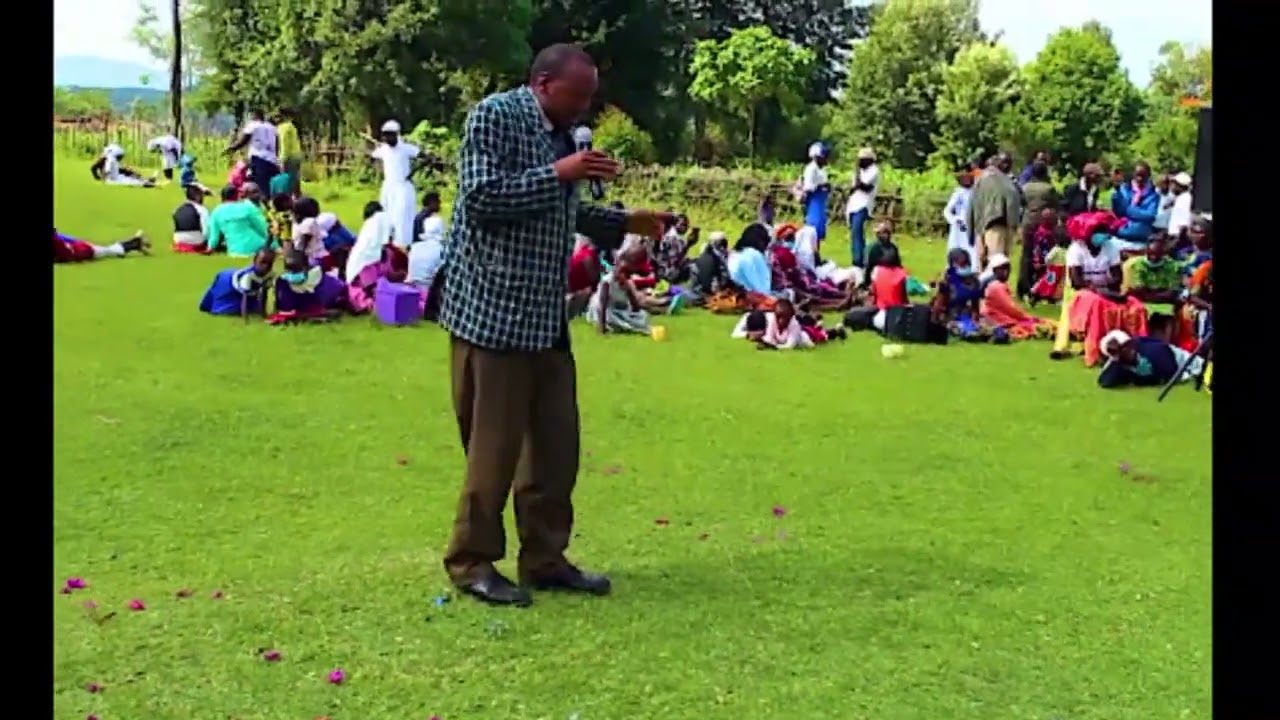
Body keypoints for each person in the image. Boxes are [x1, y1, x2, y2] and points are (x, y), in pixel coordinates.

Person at [437, 43, 672, 607]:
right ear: (544, 83)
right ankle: (471, 562)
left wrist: (624, 221)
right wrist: (558, 171)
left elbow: (561, 208)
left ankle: (544, 558)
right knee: (493, 452)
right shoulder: (495, 116)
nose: (586, 108)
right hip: (493, 314)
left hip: (545, 317)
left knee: (554, 447)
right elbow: (482, 196)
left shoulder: (562, 133)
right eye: (579, 95)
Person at [1049, 227, 1149, 365]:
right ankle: (1095, 349)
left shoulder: (1111, 247)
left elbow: (1117, 277)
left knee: (1135, 305)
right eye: (1098, 232)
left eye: (1103, 232)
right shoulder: (1076, 248)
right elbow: (1077, 281)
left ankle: (1139, 346)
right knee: (1097, 304)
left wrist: (1107, 290)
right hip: (1080, 292)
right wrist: (1096, 289)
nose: (1102, 235)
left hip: (1107, 290)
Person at [371, 120, 422, 250]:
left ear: (396, 134)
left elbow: (426, 157)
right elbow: (372, 157)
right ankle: (387, 243)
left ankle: (404, 245)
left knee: (403, 216)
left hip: (402, 187)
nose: (386, 138)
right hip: (388, 187)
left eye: (390, 135)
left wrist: (411, 173)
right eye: (385, 135)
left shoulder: (406, 148)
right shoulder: (383, 149)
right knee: (387, 214)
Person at [587, 246, 660, 334]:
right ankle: (618, 326)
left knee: (642, 315)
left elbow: (635, 308)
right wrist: (601, 327)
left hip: (619, 310)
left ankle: (627, 324)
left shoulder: (628, 283)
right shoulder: (608, 281)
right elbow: (602, 305)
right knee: (613, 318)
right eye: (621, 271)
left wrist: (629, 291)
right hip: (605, 312)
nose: (623, 276)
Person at [966, 151, 1021, 267]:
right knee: (997, 262)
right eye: (1004, 162)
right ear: (997, 163)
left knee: (993, 261)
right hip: (995, 223)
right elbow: (972, 204)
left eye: (1009, 163)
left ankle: (989, 283)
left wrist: (971, 233)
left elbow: (971, 205)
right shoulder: (995, 179)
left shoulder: (1004, 180)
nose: (1007, 166)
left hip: (993, 224)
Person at [980, 254, 1054, 339]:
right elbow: (1010, 308)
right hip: (997, 319)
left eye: (1007, 268)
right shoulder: (996, 286)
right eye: (1002, 268)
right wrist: (1027, 317)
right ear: (995, 270)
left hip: (998, 317)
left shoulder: (999, 285)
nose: (1006, 272)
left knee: (1037, 323)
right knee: (1035, 324)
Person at [1097, 329, 1189, 390]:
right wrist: (1116, 359)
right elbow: (1104, 382)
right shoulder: (1121, 363)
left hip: (1185, 363)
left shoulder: (1151, 349)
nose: (1127, 350)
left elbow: (1170, 371)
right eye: (1120, 350)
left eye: (1127, 346)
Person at [198, 248, 276, 318]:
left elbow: (264, 294)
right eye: (262, 262)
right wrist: (245, 319)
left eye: (269, 264)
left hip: (249, 291)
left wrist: (264, 314)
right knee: (227, 310)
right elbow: (244, 298)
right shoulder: (248, 276)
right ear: (255, 261)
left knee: (253, 310)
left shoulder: (270, 275)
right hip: (228, 285)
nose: (265, 266)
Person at [274, 249, 348, 317]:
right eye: (289, 270)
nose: (292, 274)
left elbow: (334, 292)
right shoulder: (282, 282)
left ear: (306, 268)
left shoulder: (318, 277)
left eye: (295, 270)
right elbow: (281, 306)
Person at [206, 183, 271, 257]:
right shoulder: (248, 207)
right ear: (237, 196)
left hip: (235, 251)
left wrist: (210, 249)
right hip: (257, 247)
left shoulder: (217, 211)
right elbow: (263, 227)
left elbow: (214, 236)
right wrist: (274, 246)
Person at [1110, 161, 1161, 246]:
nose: (1140, 179)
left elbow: (1150, 215)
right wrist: (1117, 190)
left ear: (1148, 176)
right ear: (1133, 174)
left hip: (1141, 238)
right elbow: (1118, 212)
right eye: (1138, 175)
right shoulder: (1123, 189)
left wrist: (1129, 210)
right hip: (1121, 236)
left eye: (1143, 176)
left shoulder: (1153, 195)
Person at [226, 109, 279, 190]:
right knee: (269, 187)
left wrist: (232, 148)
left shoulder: (253, 125)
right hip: (272, 161)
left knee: (260, 186)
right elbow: (277, 144)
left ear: (254, 115)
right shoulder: (272, 127)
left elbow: (243, 141)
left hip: (259, 159)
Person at [846, 147, 880, 267]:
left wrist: (856, 171)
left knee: (857, 231)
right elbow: (853, 187)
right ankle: (858, 258)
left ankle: (859, 260)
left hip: (863, 205)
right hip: (853, 205)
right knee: (855, 234)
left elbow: (863, 186)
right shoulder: (859, 172)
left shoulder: (874, 170)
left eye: (862, 159)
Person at [1124, 238, 1183, 305]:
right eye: (1151, 254)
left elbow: (1172, 292)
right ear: (1146, 251)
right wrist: (1160, 292)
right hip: (1141, 304)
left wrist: (1149, 294)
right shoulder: (1135, 265)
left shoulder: (1173, 266)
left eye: (1158, 254)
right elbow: (1139, 291)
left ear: (1163, 253)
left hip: (1165, 305)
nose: (1154, 258)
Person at [1018, 208, 1061, 300]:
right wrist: (1037, 261)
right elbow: (1036, 248)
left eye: (1053, 218)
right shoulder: (1040, 232)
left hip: (1051, 259)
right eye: (1049, 219)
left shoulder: (1054, 231)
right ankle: (1033, 293)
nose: (1053, 221)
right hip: (1041, 260)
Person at [408, 192, 445, 290]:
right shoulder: (425, 218)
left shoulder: (422, 216)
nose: (439, 204)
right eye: (438, 202)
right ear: (431, 202)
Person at [727, 224, 775, 295]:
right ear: (759, 241)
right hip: (751, 297)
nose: (766, 247)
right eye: (766, 242)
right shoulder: (753, 254)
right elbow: (762, 289)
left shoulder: (735, 253)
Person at [53, 229, 149, 263]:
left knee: (111, 251)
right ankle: (136, 243)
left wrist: (78, 241)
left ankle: (136, 242)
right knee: (109, 251)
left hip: (81, 251)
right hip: (78, 248)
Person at [942, 171, 975, 268]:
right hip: (960, 226)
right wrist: (954, 220)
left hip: (971, 224)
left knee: (971, 247)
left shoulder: (974, 192)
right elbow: (947, 211)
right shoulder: (958, 193)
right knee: (957, 245)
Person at [800, 142, 831, 242]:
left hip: (821, 201)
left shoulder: (821, 170)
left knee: (819, 229)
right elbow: (808, 187)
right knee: (813, 228)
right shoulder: (811, 169)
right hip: (814, 201)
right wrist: (821, 186)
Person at [90, 144, 155, 187]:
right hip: (112, 178)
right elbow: (94, 168)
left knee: (127, 172)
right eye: (119, 156)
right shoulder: (106, 159)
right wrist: (100, 177)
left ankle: (144, 179)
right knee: (127, 174)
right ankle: (144, 181)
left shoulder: (110, 158)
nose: (120, 158)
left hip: (114, 175)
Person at [172, 184, 211, 253]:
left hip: (178, 240)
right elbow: (206, 231)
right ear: (197, 196)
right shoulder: (202, 209)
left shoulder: (177, 209)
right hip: (197, 241)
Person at [275, 109, 304, 196]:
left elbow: (284, 143)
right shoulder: (291, 126)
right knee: (295, 178)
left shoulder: (283, 127)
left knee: (286, 180)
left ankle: (288, 198)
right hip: (297, 155)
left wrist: (282, 159)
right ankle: (297, 197)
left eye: (277, 117)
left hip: (289, 157)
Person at [1166, 172, 1194, 242]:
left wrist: (1176, 241)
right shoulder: (1181, 197)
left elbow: (1184, 223)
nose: (1172, 185)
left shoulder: (1185, 199)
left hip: (1178, 238)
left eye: (1174, 183)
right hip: (1175, 236)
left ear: (1179, 185)